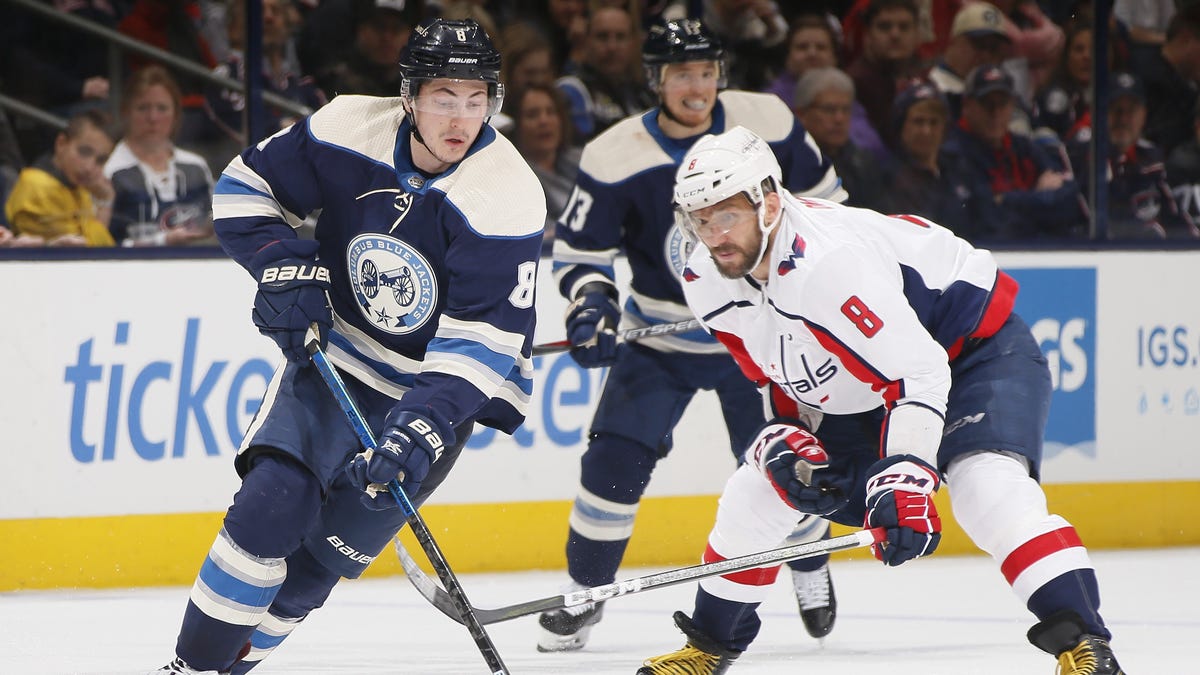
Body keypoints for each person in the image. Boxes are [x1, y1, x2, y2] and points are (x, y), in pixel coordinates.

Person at [638, 123, 1126, 675]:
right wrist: (786, 436)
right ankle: (707, 648)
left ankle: (1083, 645)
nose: (713, 234)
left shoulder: (827, 267)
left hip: (971, 353)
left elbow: (917, 372)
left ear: (769, 204)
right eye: (699, 220)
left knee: (984, 487)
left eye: (726, 215)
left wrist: (906, 477)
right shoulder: (704, 273)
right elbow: (772, 373)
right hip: (870, 382)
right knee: (757, 489)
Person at [148, 18, 545, 674]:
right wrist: (282, 264)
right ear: (410, 94)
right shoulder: (344, 129)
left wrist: (417, 427)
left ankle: (231, 667)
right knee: (270, 506)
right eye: (444, 97)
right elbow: (246, 190)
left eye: (477, 99)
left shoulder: (506, 194)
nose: (461, 117)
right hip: (339, 358)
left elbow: (482, 341)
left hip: (435, 392)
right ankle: (191, 668)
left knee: (313, 571)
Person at [538, 18, 846, 655]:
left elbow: (830, 209)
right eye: (681, 73)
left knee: (787, 464)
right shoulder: (615, 155)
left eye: (706, 71)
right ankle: (585, 591)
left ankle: (810, 563)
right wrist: (590, 306)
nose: (696, 86)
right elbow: (581, 254)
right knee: (613, 460)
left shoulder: (769, 122)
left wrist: (803, 288)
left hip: (758, 335)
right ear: (656, 80)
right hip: (659, 337)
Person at [943, 64, 1084, 242]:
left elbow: (1069, 201)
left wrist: (1006, 200)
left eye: (1002, 104)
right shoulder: (954, 152)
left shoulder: (1022, 146)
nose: (995, 113)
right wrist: (1039, 198)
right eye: (987, 104)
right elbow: (986, 219)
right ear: (967, 106)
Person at [1067, 72, 1198, 240]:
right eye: (1115, 109)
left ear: (1143, 115)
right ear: (1096, 113)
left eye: (1131, 110)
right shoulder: (1080, 156)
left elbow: (1175, 218)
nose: (1123, 118)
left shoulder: (1152, 158)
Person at [106, 66, 217, 247]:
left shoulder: (196, 166)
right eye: (143, 108)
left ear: (175, 115)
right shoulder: (110, 171)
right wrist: (162, 241)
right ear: (125, 112)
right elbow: (104, 244)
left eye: (162, 108)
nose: (153, 118)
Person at [4, 109, 116, 247]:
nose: (89, 167)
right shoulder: (38, 185)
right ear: (61, 143)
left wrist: (105, 200)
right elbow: (87, 251)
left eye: (101, 160)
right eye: (84, 152)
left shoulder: (79, 187)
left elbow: (102, 245)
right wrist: (104, 204)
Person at [555, 5, 655, 142]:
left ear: (633, 43)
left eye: (620, 37)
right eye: (602, 37)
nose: (612, 47)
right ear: (586, 41)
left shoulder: (644, 96)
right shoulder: (572, 89)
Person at [793, 67, 888, 210]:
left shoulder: (864, 162)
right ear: (801, 114)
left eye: (846, 109)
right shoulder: (789, 165)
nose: (839, 118)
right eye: (829, 109)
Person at [509, 83, 581, 243]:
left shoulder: (582, 160)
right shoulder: (510, 178)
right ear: (516, 125)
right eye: (532, 115)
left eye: (551, 112)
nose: (544, 121)